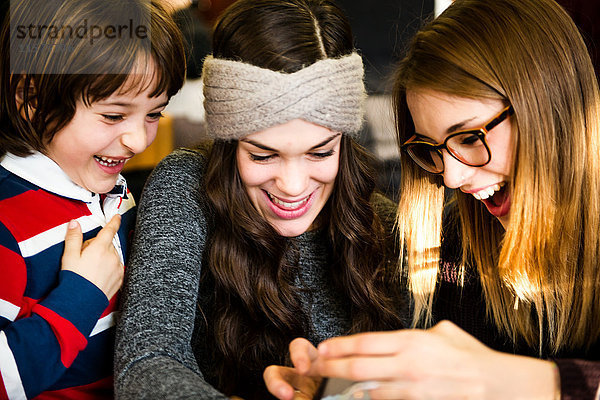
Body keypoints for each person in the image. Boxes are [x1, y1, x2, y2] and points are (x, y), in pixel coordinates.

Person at [264, 0, 600, 399]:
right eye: (432, 149)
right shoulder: (454, 245)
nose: (453, 178)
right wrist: (349, 389)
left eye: (471, 138)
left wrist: (538, 384)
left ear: (551, 105)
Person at [114, 0, 406, 399]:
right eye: (262, 154)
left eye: (320, 153)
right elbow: (145, 361)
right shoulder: (186, 186)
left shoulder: (384, 224)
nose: (291, 184)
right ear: (230, 142)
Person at [0, 0, 185, 398]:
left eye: (154, 114)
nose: (137, 140)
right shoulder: (6, 222)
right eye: (113, 116)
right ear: (31, 99)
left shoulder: (111, 188)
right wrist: (81, 296)